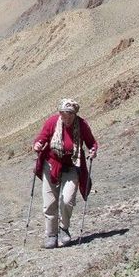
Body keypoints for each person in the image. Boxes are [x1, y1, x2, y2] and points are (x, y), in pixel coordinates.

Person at [32, 98, 98, 248]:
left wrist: (93, 151)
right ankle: (51, 235)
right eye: (63, 114)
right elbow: (42, 137)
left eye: (69, 115)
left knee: (67, 200)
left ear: (75, 114)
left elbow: (91, 143)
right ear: (60, 113)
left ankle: (64, 229)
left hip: (72, 165)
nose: (66, 118)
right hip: (52, 165)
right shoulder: (52, 122)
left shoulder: (81, 125)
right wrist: (38, 144)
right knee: (50, 202)